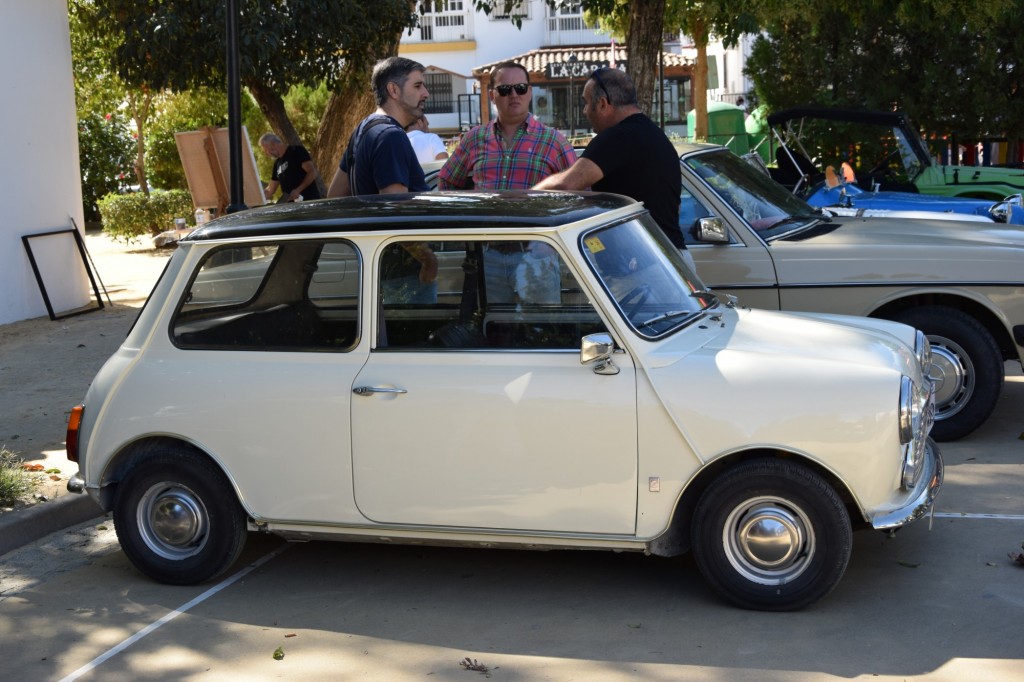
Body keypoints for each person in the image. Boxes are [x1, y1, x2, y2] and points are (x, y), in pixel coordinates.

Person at [440, 61, 576, 303]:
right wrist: (466, 227)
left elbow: (582, 197)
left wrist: (551, 243)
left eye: (520, 88)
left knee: (543, 333)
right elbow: (447, 184)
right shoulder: (474, 139)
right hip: (488, 257)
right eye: (505, 89)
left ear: (530, 92)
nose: (514, 95)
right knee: (494, 333)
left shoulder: (554, 142)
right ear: (492, 95)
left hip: (538, 256)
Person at [533, 68, 693, 271]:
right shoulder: (654, 135)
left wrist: (521, 199)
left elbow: (566, 184)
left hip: (647, 267)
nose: (584, 111)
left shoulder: (618, 137)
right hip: (670, 259)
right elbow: (672, 207)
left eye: (586, 103)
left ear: (602, 104)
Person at [327, 56, 436, 301]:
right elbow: (395, 212)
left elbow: (334, 196)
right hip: (406, 275)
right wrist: (428, 259)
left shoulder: (364, 129)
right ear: (393, 90)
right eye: (418, 86)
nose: (426, 93)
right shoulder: (390, 136)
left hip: (377, 267)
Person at [259, 133, 322, 202]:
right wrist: (255, 198)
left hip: (309, 202)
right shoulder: (277, 164)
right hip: (293, 207)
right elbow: (270, 190)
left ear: (273, 144)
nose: (266, 154)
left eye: (266, 150)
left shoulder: (296, 151)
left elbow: (312, 172)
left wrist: (298, 190)